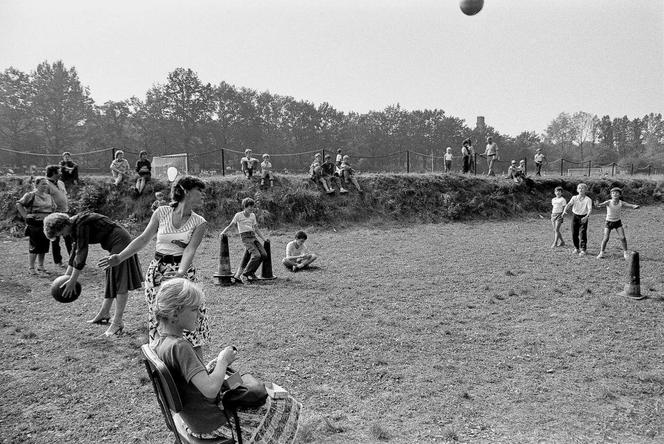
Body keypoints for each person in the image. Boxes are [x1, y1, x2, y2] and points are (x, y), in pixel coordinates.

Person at [152, 278, 302, 442]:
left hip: (193, 419)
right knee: (282, 402)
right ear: (175, 314)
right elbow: (210, 391)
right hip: (212, 423)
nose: (201, 315)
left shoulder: (159, 344)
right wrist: (223, 361)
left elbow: (191, 382)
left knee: (252, 388)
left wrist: (211, 367)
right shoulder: (181, 347)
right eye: (195, 309)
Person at [98, 176, 210, 350]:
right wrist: (119, 257)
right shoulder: (161, 212)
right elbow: (143, 239)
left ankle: (191, 357)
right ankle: (161, 354)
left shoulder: (199, 222)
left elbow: (190, 250)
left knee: (186, 313)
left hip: (182, 271)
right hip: (157, 270)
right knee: (158, 313)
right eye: (199, 191)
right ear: (186, 191)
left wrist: (180, 273)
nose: (203, 194)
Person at [43, 212, 143, 336]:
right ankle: (104, 313)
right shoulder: (73, 227)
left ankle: (117, 322)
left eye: (62, 233)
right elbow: (75, 252)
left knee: (119, 280)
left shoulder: (81, 223)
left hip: (121, 242)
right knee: (111, 277)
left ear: (63, 225)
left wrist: (73, 280)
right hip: (113, 244)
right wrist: (66, 277)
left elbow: (82, 253)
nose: (64, 235)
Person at [220, 198, 269, 284]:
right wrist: (223, 232)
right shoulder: (238, 215)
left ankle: (250, 273)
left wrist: (264, 239)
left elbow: (256, 228)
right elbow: (231, 225)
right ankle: (245, 274)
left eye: (252, 208)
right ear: (245, 207)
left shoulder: (253, 215)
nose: (251, 209)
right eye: (250, 208)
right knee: (256, 255)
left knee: (264, 254)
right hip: (245, 237)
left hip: (253, 236)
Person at [16, 177, 56, 274]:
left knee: (44, 245)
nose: (45, 186)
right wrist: (26, 215)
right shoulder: (30, 195)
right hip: (34, 223)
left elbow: (54, 207)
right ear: (36, 185)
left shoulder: (49, 196)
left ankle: (41, 266)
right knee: (35, 245)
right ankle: (31, 268)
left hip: (46, 223)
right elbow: (19, 204)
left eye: (46, 184)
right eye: (42, 184)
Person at [595, 187, 640, 259]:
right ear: (611, 195)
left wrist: (634, 206)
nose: (615, 194)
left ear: (620, 195)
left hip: (617, 222)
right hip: (608, 222)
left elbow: (629, 205)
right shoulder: (608, 202)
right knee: (606, 238)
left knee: (623, 237)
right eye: (613, 193)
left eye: (617, 193)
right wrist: (598, 205)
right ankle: (601, 253)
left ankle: (625, 253)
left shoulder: (621, 202)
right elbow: (601, 204)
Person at [45, 165, 72, 268]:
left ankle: (72, 258)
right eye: (59, 172)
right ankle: (58, 261)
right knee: (55, 239)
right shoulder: (46, 184)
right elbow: (46, 198)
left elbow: (64, 195)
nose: (60, 173)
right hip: (54, 214)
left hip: (65, 213)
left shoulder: (60, 183)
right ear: (53, 173)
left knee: (69, 237)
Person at [562, 183, 593, 256]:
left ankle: (583, 249)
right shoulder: (574, 198)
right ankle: (576, 248)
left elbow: (590, 209)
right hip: (575, 216)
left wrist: (586, 216)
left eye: (583, 188)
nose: (581, 189)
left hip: (583, 217)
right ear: (577, 190)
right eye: (579, 188)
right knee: (574, 233)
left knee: (582, 233)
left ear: (586, 190)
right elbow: (569, 204)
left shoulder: (588, 199)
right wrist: (564, 211)